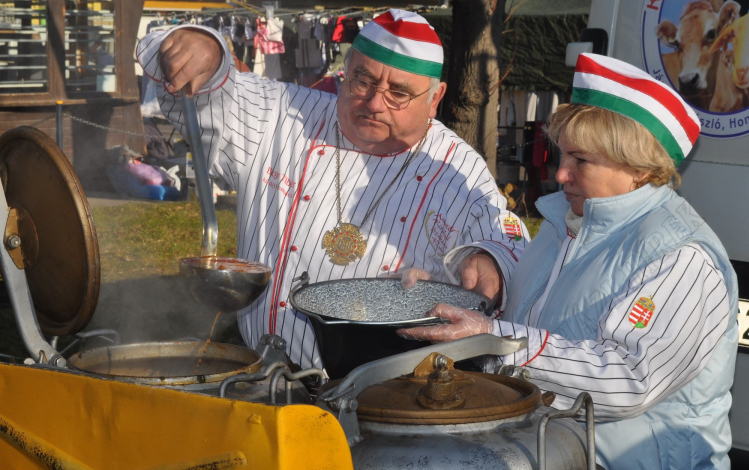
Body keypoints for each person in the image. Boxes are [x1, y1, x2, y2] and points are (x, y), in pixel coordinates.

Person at [136, 10, 528, 371]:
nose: (375, 103)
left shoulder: (454, 167)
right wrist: (201, 44)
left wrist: (489, 257)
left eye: (399, 93)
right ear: (346, 71)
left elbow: (510, 241)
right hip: (259, 369)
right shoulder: (283, 113)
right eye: (364, 80)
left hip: (380, 395)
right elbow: (181, 74)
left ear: (435, 99)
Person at [399, 53, 738, 469]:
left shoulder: (682, 256)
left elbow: (627, 381)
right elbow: (539, 315)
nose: (561, 174)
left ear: (636, 168)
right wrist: (464, 279)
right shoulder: (569, 222)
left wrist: (495, 338)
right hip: (554, 452)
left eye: (581, 160)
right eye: (562, 155)